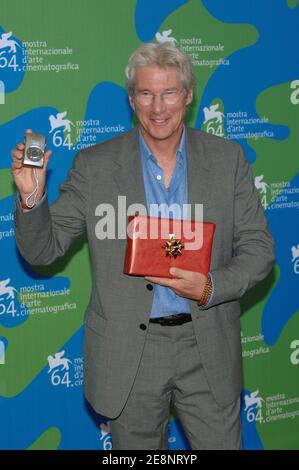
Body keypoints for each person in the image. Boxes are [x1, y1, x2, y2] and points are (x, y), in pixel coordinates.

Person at [12, 42, 274, 450]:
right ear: (131, 99)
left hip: (206, 347)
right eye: (146, 94)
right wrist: (32, 198)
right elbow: (42, 250)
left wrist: (209, 287)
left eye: (169, 92)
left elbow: (259, 251)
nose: (158, 107)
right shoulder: (95, 166)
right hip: (130, 353)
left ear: (188, 96)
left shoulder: (228, 160)